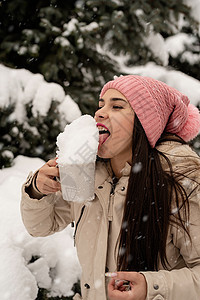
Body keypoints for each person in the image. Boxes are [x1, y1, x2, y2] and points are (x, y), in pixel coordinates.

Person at [21, 75, 200, 300]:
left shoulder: (180, 180)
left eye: (116, 106)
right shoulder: (86, 172)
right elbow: (41, 226)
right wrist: (37, 189)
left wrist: (151, 287)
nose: (100, 113)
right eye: (100, 105)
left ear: (145, 123)